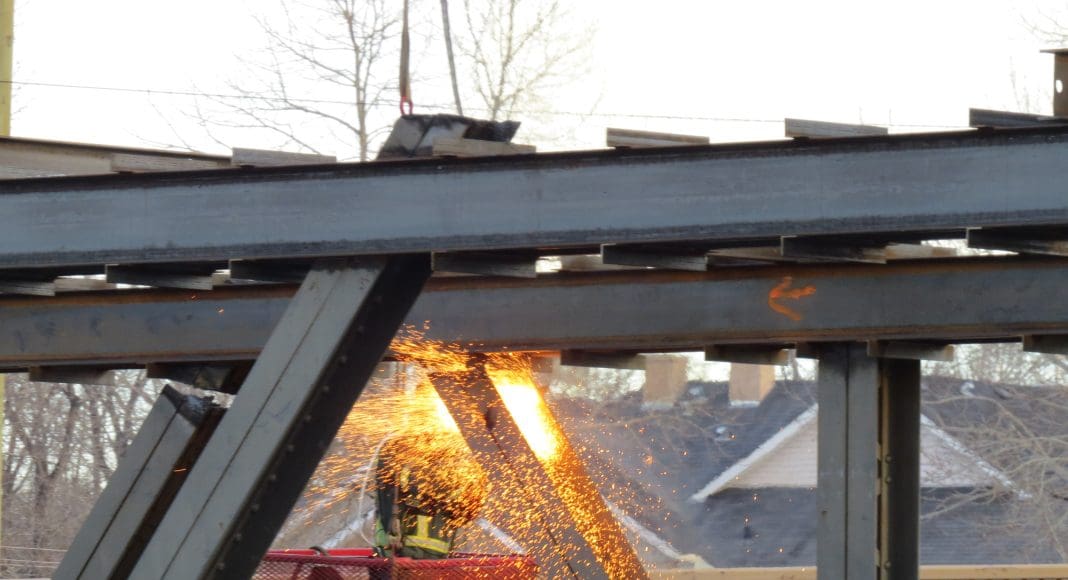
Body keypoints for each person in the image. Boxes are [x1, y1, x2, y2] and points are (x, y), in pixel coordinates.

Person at [373, 434, 487, 559]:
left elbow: (467, 509)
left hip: (433, 559)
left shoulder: (455, 471)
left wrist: (476, 480)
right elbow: (389, 488)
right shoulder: (399, 455)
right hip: (398, 555)